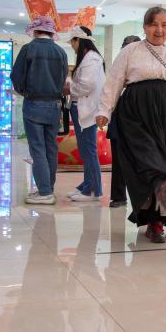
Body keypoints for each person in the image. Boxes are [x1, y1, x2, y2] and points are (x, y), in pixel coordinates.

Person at [96, 7, 166, 243]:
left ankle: (156, 224)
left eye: (164, 25)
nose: (159, 30)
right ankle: (164, 183)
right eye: (154, 24)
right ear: (145, 27)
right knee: (144, 159)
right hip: (135, 113)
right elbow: (114, 79)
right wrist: (104, 109)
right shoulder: (131, 51)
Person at [11, 16, 68, 204]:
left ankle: (44, 192)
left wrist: (23, 91)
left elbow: (17, 76)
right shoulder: (61, 52)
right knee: (51, 147)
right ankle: (48, 188)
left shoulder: (28, 49)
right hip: (54, 105)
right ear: (51, 32)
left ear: (35, 31)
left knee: (37, 148)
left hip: (34, 103)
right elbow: (63, 80)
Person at [65, 26, 106, 202]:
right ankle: (88, 184)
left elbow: (86, 85)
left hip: (86, 110)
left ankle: (93, 190)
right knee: (85, 150)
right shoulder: (89, 58)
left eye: (73, 42)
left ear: (78, 41)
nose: (72, 46)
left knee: (89, 150)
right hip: (82, 108)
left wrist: (69, 88)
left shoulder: (91, 59)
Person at [107, 34, 140, 208]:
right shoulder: (118, 66)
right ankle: (119, 196)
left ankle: (143, 197)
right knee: (119, 157)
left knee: (142, 158)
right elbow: (111, 89)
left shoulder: (146, 67)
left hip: (141, 115)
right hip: (120, 114)